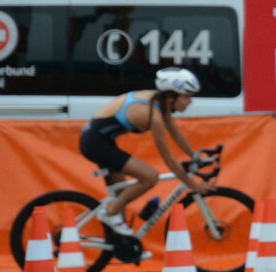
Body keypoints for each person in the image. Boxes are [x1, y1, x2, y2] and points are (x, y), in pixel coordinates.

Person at [81, 67, 206, 233]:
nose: (190, 102)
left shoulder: (160, 102)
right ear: (170, 97)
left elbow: (176, 133)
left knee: (121, 193)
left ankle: (121, 244)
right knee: (150, 176)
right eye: (187, 97)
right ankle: (109, 213)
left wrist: (196, 156)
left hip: (102, 141)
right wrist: (193, 185)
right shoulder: (151, 113)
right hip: (96, 145)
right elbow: (168, 158)